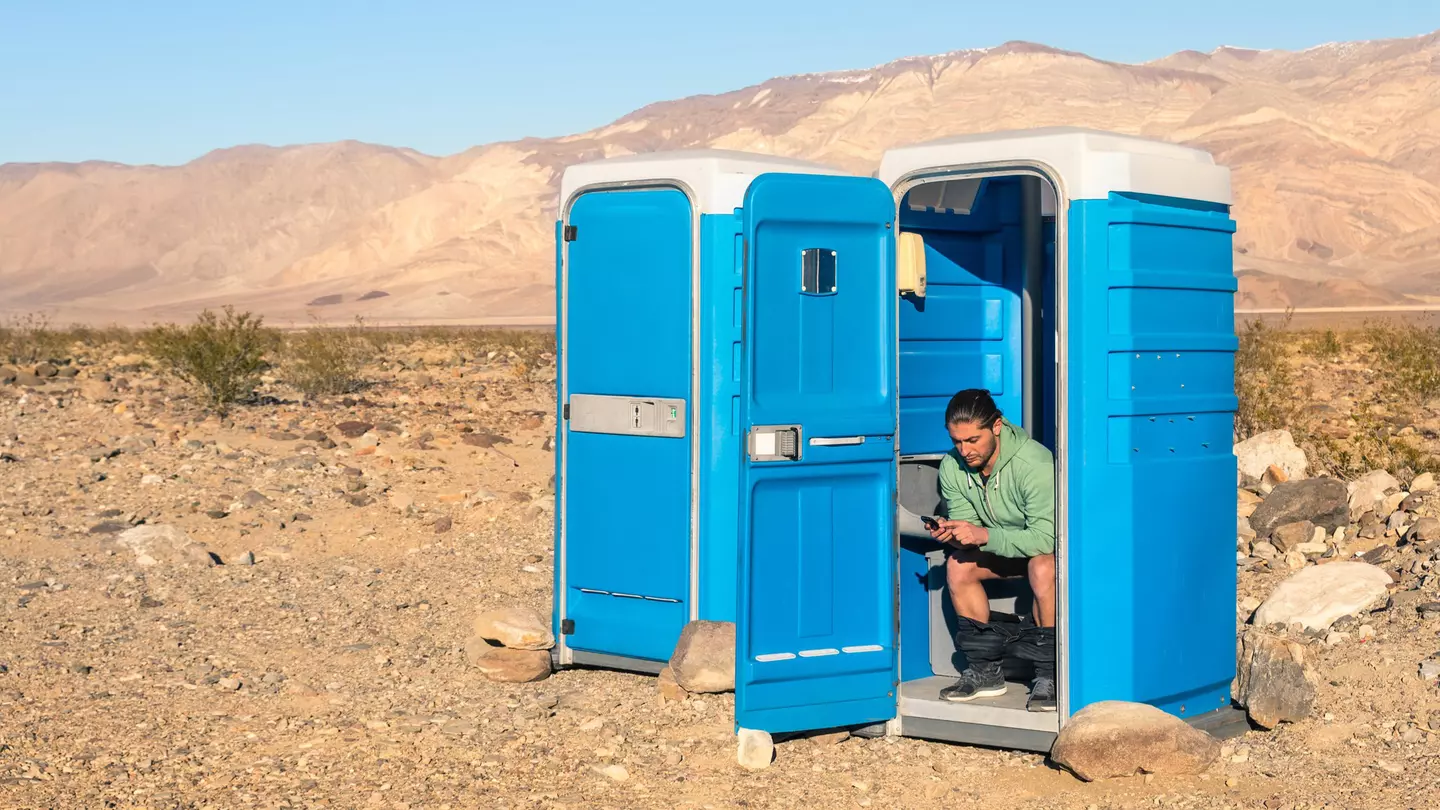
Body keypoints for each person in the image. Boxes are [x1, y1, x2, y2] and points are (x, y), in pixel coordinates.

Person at [926, 389, 1057, 712]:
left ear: (996, 426)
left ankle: (1049, 674)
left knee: (1042, 568)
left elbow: (1045, 538)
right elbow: (968, 526)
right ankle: (986, 672)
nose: (964, 450)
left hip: (1042, 551)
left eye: (972, 440)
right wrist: (954, 534)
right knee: (958, 564)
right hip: (1000, 550)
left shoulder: (1034, 462)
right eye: (957, 441)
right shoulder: (952, 467)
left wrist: (983, 535)